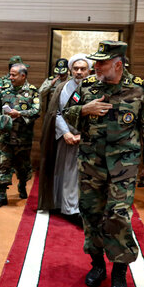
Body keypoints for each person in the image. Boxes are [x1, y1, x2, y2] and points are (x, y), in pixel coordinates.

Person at [63, 40, 144, 287]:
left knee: (118, 217)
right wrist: (85, 109)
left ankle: (119, 272)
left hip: (123, 166)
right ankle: (97, 265)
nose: (95, 67)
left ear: (118, 64)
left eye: (101, 63)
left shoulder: (140, 88)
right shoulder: (87, 87)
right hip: (91, 165)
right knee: (91, 215)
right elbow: (65, 113)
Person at [38, 54, 92, 222]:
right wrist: (66, 133)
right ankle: (62, 205)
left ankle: (75, 209)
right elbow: (56, 112)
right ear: (71, 70)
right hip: (65, 136)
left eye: (83, 69)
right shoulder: (63, 87)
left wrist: (82, 135)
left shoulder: (96, 88)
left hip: (88, 139)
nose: (79, 72)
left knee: (81, 175)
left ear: (89, 70)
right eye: (76, 69)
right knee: (63, 171)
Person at [0, 63, 40, 207]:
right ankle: (1, 194)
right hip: (5, 136)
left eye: (13, 75)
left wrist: (20, 113)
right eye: (10, 74)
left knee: (23, 166)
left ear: (23, 76)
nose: (10, 77)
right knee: (3, 164)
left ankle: (22, 184)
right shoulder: (4, 90)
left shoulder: (32, 91)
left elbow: (37, 111)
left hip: (23, 137)